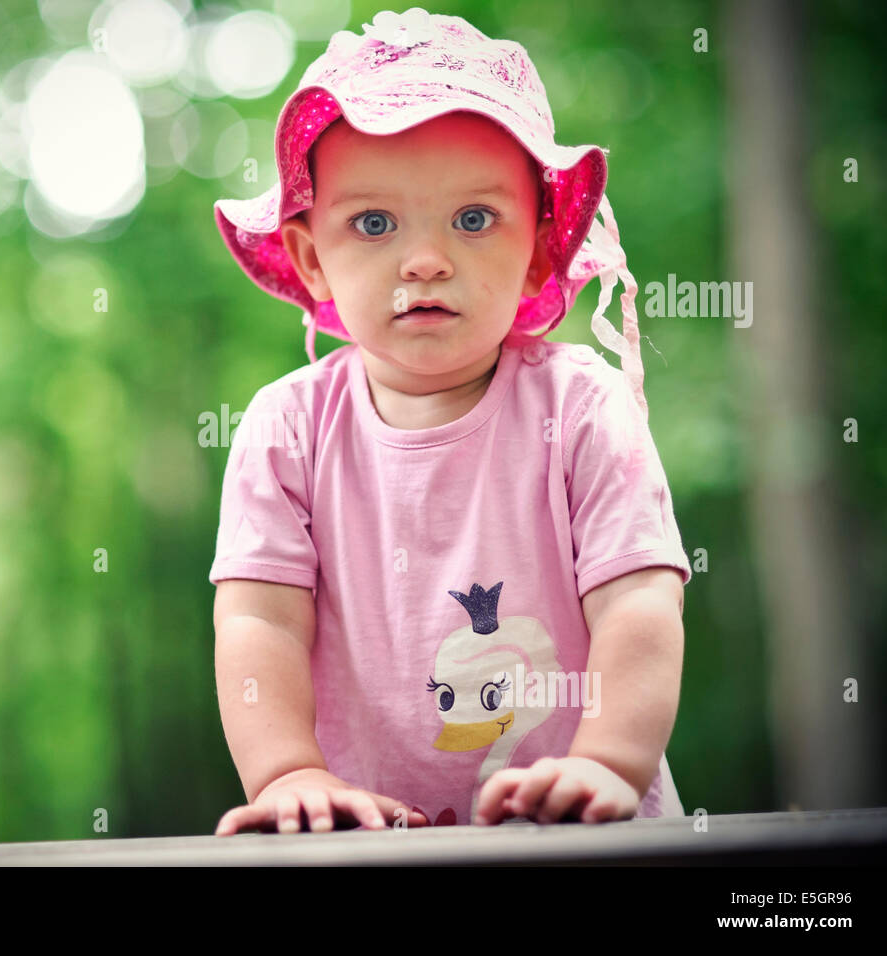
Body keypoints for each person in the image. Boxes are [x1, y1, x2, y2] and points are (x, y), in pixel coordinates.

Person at [209, 8, 690, 834]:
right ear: (311, 257)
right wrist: (287, 773)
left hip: (586, 835)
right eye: (373, 222)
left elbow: (639, 600)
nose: (425, 258)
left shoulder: (582, 407)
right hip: (366, 842)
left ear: (540, 250)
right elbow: (260, 620)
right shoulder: (285, 428)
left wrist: (607, 760)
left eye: (473, 219)